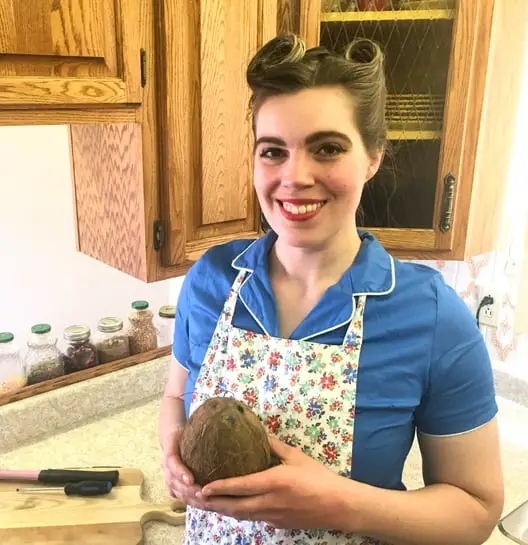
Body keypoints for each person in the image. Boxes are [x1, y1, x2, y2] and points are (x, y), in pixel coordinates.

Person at [159, 33, 504, 545]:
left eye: (327, 148)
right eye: (273, 151)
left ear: (372, 157)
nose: (295, 177)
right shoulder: (211, 280)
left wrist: (339, 502)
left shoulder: (432, 316)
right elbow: (173, 395)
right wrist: (173, 455)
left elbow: (476, 511)